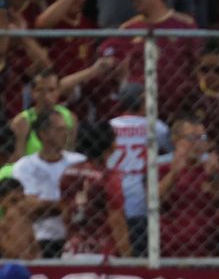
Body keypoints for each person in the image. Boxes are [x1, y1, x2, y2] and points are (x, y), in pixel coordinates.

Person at [117, 0, 200, 122]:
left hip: (179, 112)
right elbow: (120, 72)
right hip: (139, 114)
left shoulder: (184, 24)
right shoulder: (128, 29)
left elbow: (196, 65)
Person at [108, 83, 171, 257]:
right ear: (144, 101)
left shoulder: (110, 126)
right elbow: (171, 152)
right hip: (143, 199)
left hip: (115, 198)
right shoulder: (156, 127)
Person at [12, 112, 86, 258]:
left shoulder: (78, 162)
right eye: (59, 129)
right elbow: (29, 207)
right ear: (43, 134)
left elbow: (88, 202)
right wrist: (66, 204)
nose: (65, 133)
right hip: (40, 238)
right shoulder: (24, 166)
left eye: (65, 129)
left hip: (73, 239)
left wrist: (46, 205)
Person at [59, 122, 132, 259]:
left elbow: (65, 213)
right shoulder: (108, 177)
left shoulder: (69, 172)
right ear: (110, 145)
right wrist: (127, 256)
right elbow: (116, 219)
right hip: (101, 250)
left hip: (73, 248)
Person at [159, 118, 219, 257]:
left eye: (202, 137)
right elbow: (152, 201)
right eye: (191, 138)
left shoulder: (211, 167)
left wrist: (213, 176)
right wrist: (174, 173)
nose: (198, 143)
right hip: (169, 246)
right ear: (175, 140)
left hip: (207, 245)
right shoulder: (161, 167)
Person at [10, 70, 77, 161]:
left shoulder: (70, 117)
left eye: (51, 90)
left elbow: (70, 151)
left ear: (58, 91)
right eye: (40, 90)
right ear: (33, 93)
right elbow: (18, 158)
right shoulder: (22, 121)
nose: (46, 96)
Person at [0, 177, 38, 259]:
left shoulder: (27, 222)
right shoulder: (3, 226)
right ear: (1, 201)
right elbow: (15, 253)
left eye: (22, 199)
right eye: (14, 201)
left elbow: (36, 252)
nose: (20, 205)